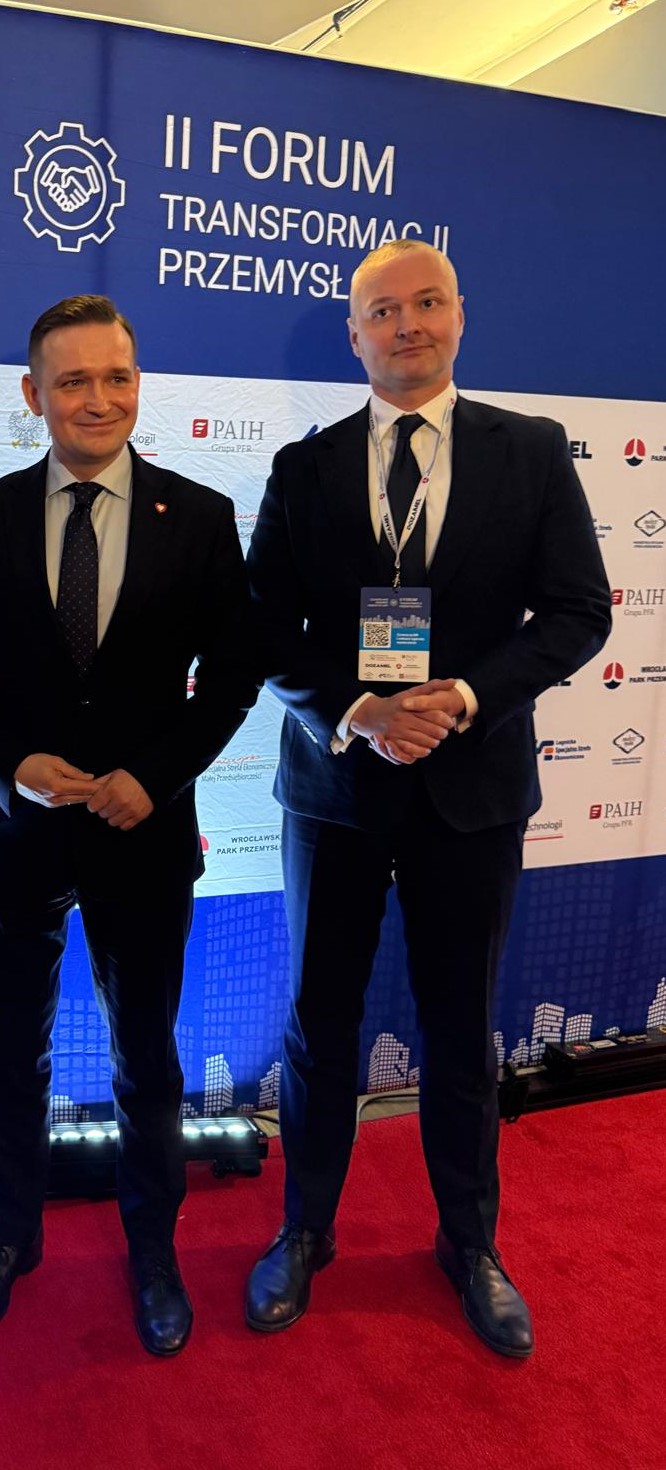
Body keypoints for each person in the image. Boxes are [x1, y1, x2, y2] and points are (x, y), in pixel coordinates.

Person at [244, 240, 611, 1358]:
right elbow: (263, 626)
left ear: (460, 316)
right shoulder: (304, 467)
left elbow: (579, 611)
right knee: (320, 1023)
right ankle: (305, 1231)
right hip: (337, 789)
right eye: (383, 310)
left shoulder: (532, 450)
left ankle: (470, 1243)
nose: (407, 325)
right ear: (353, 334)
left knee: (462, 1028)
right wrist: (358, 708)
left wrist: (464, 696)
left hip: (473, 785)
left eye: (427, 303)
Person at [0, 295, 258, 1356]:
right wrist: (7, 763)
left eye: (116, 377)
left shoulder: (200, 516)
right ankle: (10, 1239)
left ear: (138, 384)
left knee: (146, 1054)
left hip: (143, 832)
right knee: (9, 1045)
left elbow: (233, 677)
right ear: (33, 395)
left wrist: (152, 778)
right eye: (72, 380)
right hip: (20, 834)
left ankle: (153, 1251)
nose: (98, 399)